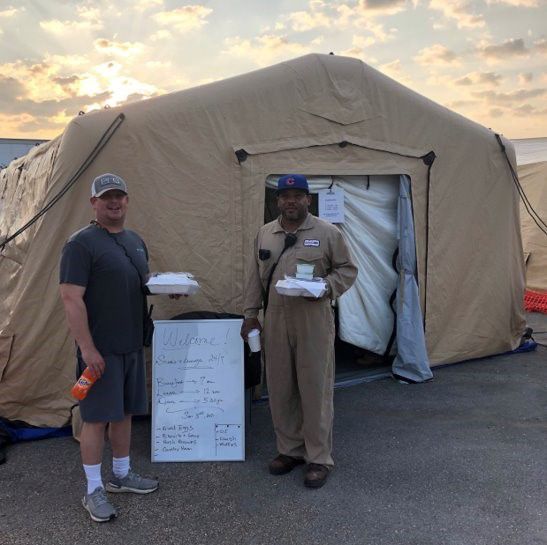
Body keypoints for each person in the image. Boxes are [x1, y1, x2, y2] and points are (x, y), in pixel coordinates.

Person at [241, 174, 357, 488]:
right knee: (280, 387)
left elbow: (347, 269)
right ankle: (289, 450)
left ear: (308, 199)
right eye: (285, 196)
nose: (291, 201)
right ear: (277, 200)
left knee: (315, 388)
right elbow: (254, 277)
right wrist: (250, 315)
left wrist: (326, 287)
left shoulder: (327, 232)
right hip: (276, 318)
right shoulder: (266, 234)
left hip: (313, 317)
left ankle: (318, 458)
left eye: (297, 195)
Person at [59, 173, 158, 522]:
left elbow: (142, 284)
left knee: (126, 413)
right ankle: (92, 490)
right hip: (100, 352)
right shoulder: (80, 244)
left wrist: (167, 290)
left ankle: (120, 474)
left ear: (127, 200)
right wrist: (87, 348)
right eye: (106, 197)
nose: (114, 202)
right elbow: (71, 298)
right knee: (97, 419)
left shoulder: (134, 241)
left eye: (119, 196)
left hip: (131, 345)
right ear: (94, 203)